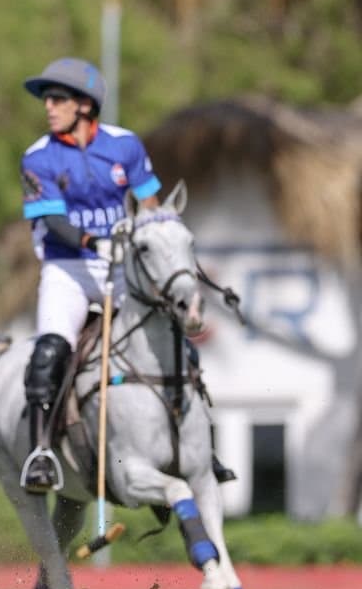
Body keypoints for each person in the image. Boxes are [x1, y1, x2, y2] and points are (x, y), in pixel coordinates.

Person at [18, 57, 234, 493]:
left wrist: (156, 245)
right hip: (69, 269)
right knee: (50, 351)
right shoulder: (39, 157)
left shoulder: (125, 146)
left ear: (84, 104)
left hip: (122, 269)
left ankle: (200, 444)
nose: (49, 106)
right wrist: (95, 242)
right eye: (47, 99)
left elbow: (150, 205)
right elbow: (55, 223)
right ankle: (41, 452)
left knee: (175, 337)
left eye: (57, 98)